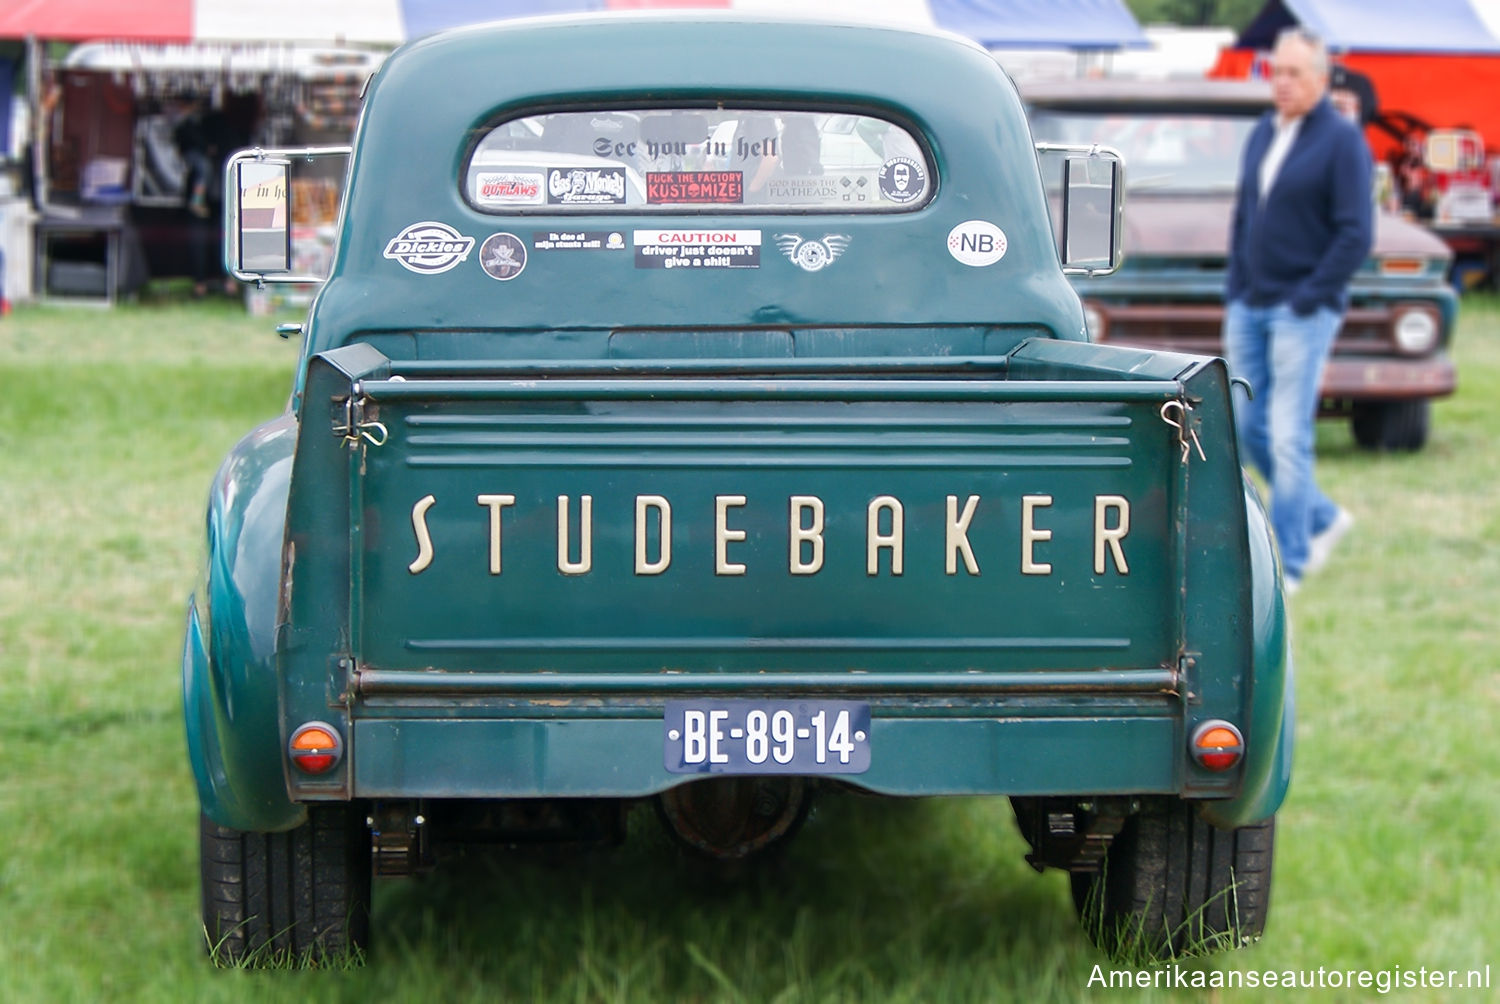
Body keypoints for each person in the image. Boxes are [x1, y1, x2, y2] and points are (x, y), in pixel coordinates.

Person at [1224, 28, 1371, 593]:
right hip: (1249, 302)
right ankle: (1323, 516)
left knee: (1288, 433)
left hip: (1301, 310)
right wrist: (1238, 283)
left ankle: (1292, 560)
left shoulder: (1341, 142)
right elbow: (1246, 212)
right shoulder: (1264, 131)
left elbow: (1355, 233)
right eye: (1275, 72)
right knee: (1246, 423)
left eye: (1292, 74)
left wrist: (1310, 295)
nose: (1280, 83)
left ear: (1320, 78)